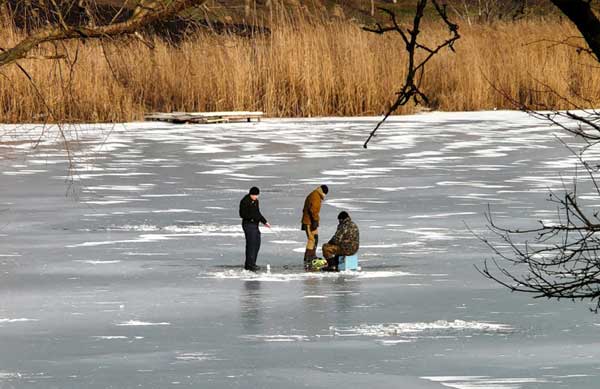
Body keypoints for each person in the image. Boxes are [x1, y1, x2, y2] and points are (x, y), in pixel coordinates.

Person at [239, 186, 270, 272]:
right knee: (251, 245)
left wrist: (265, 222)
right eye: (254, 195)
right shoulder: (245, 201)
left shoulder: (256, 201)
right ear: (250, 194)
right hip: (248, 225)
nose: (256, 197)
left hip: (255, 225)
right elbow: (242, 214)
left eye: (257, 195)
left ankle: (252, 263)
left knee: (257, 243)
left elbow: (258, 213)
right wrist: (252, 218)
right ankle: (249, 265)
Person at [301, 184, 328, 270]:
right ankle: (309, 257)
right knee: (311, 239)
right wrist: (315, 221)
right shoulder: (315, 196)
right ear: (323, 192)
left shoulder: (315, 194)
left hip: (310, 221)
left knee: (315, 237)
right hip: (309, 222)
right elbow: (314, 210)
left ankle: (312, 255)